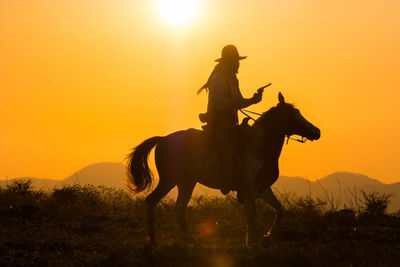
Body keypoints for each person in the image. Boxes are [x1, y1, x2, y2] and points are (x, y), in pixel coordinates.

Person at [198, 44, 263, 194]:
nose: (238, 63)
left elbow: (239, 101)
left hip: (231, 122)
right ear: (229, 62)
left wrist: (254, 100)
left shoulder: (232, 79)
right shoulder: (218, 78)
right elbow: (216, 101)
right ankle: (226, 180)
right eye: (235, 60)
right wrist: (233, 103)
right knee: (228, 145)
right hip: (219, 122)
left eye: (238, 60)